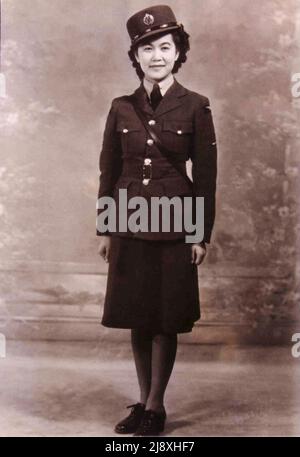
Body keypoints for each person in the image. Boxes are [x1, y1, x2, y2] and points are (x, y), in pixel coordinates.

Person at [96, 4, 217, 436]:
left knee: (166, 318)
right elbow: (108, 172)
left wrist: (199, 234)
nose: (156, 56)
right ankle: (143, 403)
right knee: (137, 314)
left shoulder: (196, 106)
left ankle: (156, 406)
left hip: (175, 224)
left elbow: (205, 176)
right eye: (147, 49)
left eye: (165, 47)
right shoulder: (121, 107)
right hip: (128, 221)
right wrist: (105, 226)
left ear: (178, 52)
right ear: (136, 56)